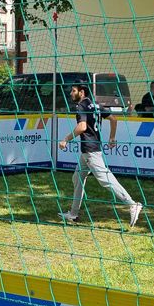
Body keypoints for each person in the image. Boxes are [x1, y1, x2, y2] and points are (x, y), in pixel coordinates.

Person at [58, 85, 143, 227]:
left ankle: (132, 204)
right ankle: (73, 214)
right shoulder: (95, 105)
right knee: (77, 178)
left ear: (82, 92)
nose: (71, 93)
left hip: (90, 151)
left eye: (73, 91)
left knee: (105, 179)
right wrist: (112, 138)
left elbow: (82, 127)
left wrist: (65, 139)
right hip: (90, 150)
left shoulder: (81, 106)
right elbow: (113, 119)